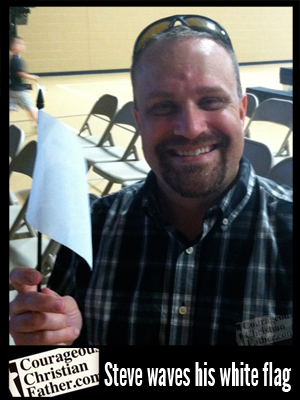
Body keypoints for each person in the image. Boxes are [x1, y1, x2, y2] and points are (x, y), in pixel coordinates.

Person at [9, 15, 292, 346]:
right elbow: (66, 376)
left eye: (211, 101)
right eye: (163, 106)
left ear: (242, 110)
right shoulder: (92, 228)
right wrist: (50, 351)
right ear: (139, 121)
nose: (190, 127)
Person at [9, 36, 39, 123]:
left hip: (12, 89)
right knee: (30, 107)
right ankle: (40, 125)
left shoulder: (13, 59)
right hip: (19, 90)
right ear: (15, 47)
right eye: (21, 44)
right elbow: (20, 73)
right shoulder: (16, 60)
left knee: (10, 107)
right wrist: (32, 77)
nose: (23, 46)